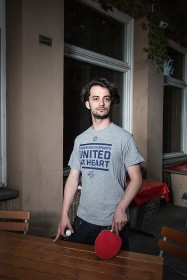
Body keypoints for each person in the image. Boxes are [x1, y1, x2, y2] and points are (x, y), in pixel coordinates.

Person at [54, 77, 144, 250]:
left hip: (113, 222)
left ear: (111, 103)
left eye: (106, 98)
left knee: (114, 273)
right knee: (77, 269)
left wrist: (122, 208)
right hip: (82, 220)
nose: (101, 103)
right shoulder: (80, 140)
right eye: (96, 98)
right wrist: (64, 214)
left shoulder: (124, 138)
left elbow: (136, 179)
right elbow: (73, 179)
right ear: (88, 103)